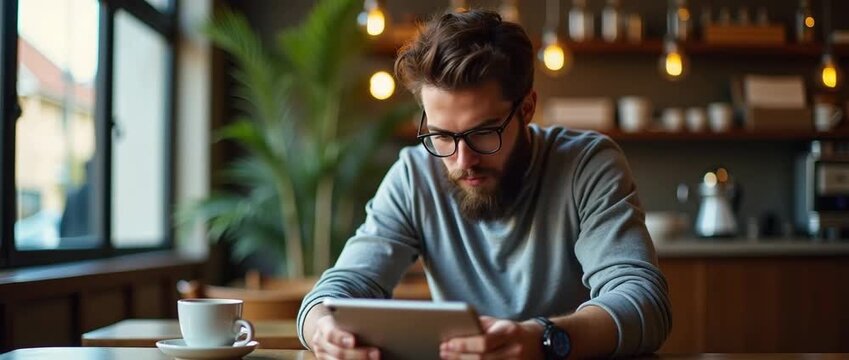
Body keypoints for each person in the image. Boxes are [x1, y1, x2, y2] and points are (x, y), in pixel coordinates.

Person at [297, 9, 671, 360]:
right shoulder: (414, 176)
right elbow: (333, 293)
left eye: (483, 133)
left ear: (526, 109)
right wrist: (324, 331)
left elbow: (644, 303)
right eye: (442, 136)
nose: (462, 161)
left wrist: (542, 339)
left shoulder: (586, 165)